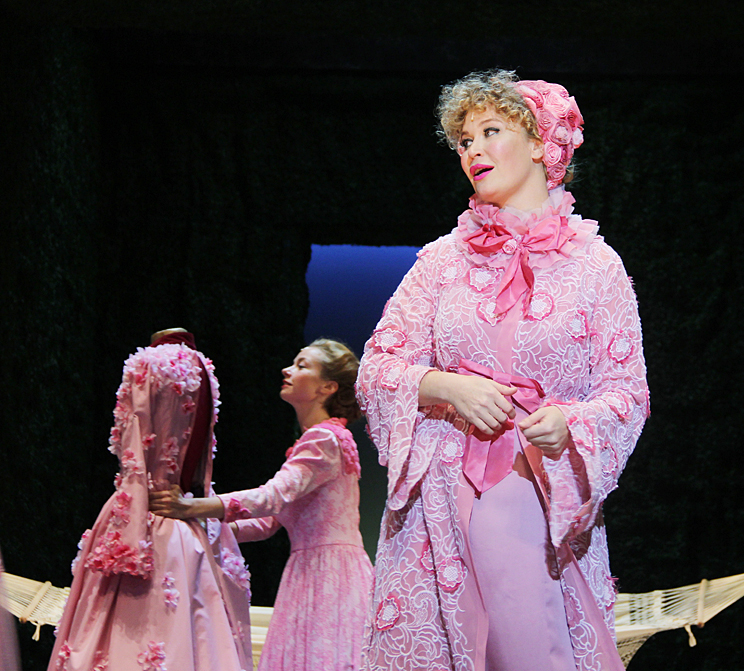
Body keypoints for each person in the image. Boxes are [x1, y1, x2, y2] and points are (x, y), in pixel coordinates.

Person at [357, 70, 649, 671]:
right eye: (464, 141)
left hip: (535, 487)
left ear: (541, 142)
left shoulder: (596, 266)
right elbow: (377, 365)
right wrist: (444, 386)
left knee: (530, 645)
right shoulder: (441, 261)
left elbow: (627, 392)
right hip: (439, 497)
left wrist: (569, 425)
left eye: (491, 132)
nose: (474, 151)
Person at [150, 339, 374, 671]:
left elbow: (270, 497)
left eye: (301, 365)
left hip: (329, 574)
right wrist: (197, 525)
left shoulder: (324, 439)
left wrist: (191, 507)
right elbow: (268, 521)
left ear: (327, 387)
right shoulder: (319, 439)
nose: (287, 370)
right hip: (312, 571)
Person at [48, 329, 253, 671]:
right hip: (188, 529)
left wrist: (127, 541)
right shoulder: (206, 370)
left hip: (143, 519)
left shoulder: (146, 363)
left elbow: (133, 452)